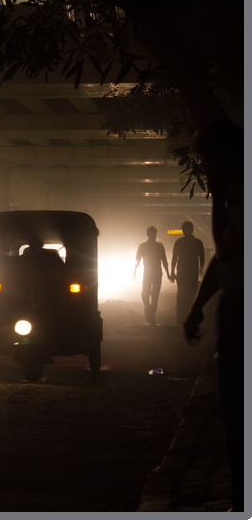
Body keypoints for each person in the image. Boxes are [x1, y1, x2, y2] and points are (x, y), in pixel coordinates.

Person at [182, 121, 243, 512]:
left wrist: (218, 193)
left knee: (237, 408)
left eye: (207, 162)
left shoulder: (237, 195)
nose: (205, 171)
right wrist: (197, 306)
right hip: (233, 305)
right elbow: (223, 262)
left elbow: (227, 250)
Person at [169, 221, 205, 324]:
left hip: (182, 272)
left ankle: (180, 318)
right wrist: (202, 271)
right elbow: (202, 258)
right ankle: (190, 317)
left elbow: (174, 258)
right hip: (192, 272)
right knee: (191, 294)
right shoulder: (198, 243)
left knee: (181, 294)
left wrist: (172, 273)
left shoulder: (179, 242)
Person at [133, 226, 169, 326]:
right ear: (149, 234)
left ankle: (150, 315)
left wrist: (135, 270)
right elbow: (164, 261)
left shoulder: (145, 246)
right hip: (154, 272)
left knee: (150, 295)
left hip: (151, 272)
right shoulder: (157, 246)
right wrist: (168, 273)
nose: (154, 235)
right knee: (150, 295)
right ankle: (150, 313)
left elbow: (164, 261)